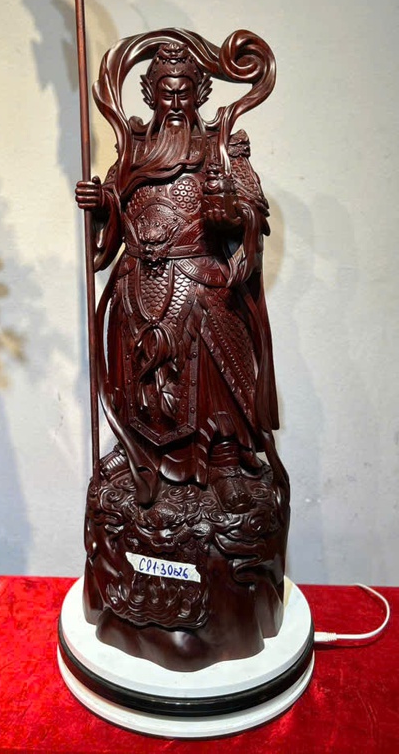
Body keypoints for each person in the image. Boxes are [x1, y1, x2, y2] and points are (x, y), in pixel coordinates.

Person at [76, 36, 283, 506]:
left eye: (183, 92)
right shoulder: (133, 149)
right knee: (134, 373)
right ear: (150, 95)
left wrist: (232, 212)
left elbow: (254, 211)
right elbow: (117, 209)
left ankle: (223, 457)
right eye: (164, 93)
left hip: (198, 278)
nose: (174, 103)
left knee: (213, 368)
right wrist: (100, 203)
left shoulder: (223, 147)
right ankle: (138, 450)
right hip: (137, 280)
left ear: (200, 94)